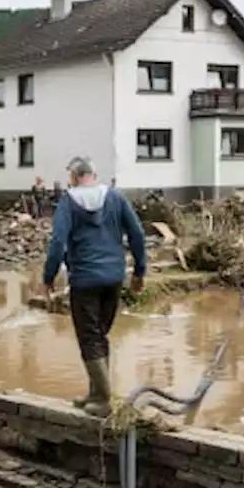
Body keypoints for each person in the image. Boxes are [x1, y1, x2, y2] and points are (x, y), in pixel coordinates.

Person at [42, 157, 147, 417]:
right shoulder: (115, 197)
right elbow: (137, 234)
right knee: (100, 335)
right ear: (94, 174)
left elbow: (57, 243)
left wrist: (48, 277)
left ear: (74, 177)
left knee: (89, 338)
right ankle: (95, 392)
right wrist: (140, 272)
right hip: (114, 277)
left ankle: (101, 399)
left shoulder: (68, 201)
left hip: (85, 279)